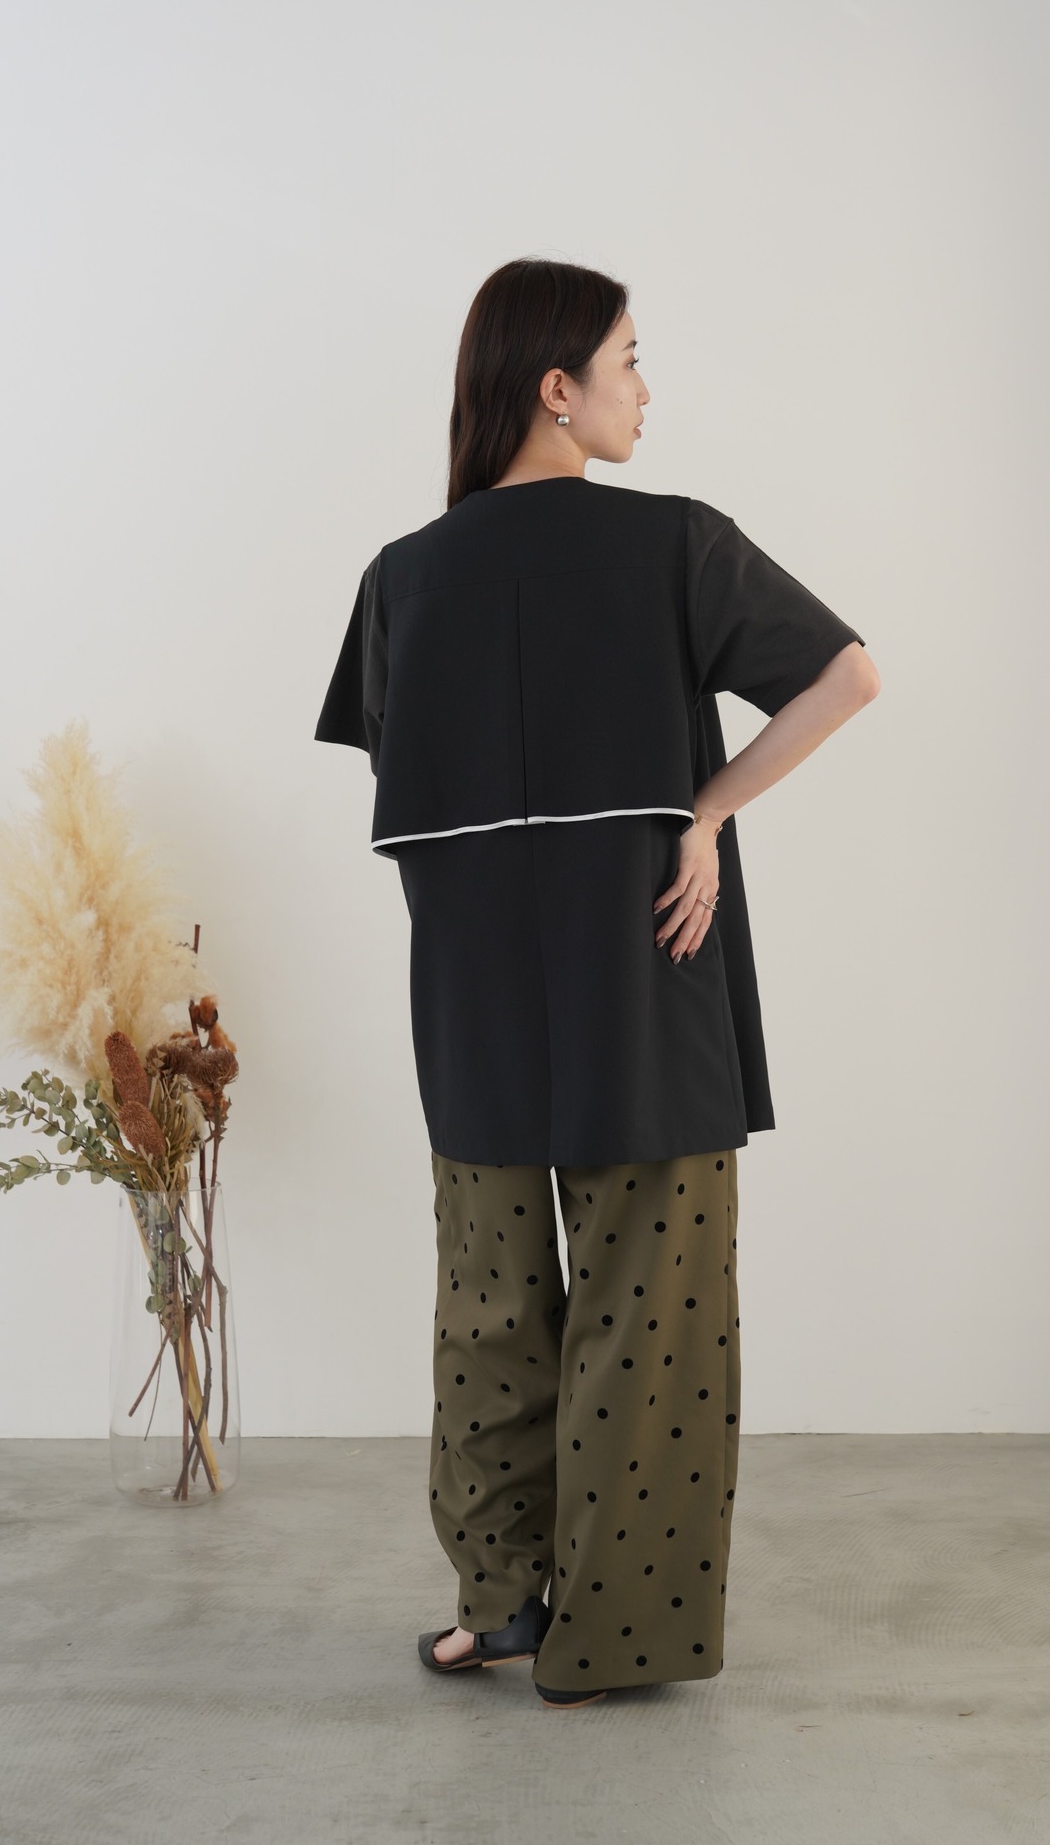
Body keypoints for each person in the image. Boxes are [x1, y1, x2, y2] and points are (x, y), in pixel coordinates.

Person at [314, 257, 880, 1708]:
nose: (645, 388)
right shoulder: (675, 543)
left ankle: (497, 1605)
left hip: (476, 994)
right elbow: (847, 674)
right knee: (654, 1307)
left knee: (489, 1301)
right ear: (557, 389)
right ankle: (616, 1639)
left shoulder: (399, 579)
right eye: (630, 359)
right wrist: (704, 813)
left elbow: (410, 787)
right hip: (648, 970)